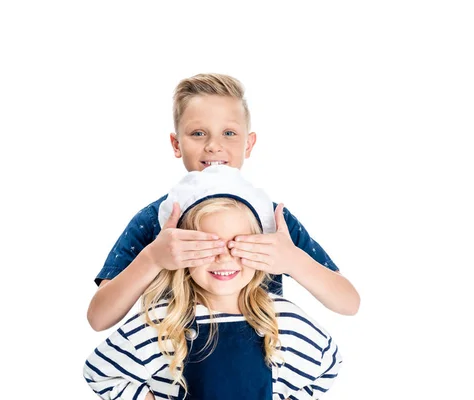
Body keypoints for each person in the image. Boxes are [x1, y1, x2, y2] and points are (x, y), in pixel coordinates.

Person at [87, 73, 360, 332]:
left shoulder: (273, 219)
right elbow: (99, 319)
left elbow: (349, 303)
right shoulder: (154, 219)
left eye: (229, 133)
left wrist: (294, 262)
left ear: (249, 144)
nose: (213, 145)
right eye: (197, 133)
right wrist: (152, 259)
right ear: (176, 144)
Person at [83, 165, 342, 400]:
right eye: (207, 245)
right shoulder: (161, 324)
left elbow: (328, 363)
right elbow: (100, 372)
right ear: (182, 253)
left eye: (238, 243)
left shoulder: (285, 320)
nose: (224, 257)